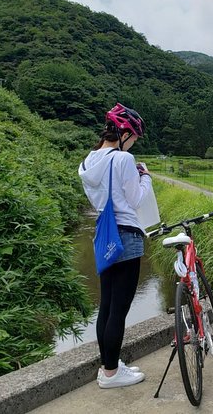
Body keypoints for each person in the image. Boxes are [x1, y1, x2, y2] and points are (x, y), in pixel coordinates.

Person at [79, 103, 151, 388]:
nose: (133, 143)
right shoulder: (122, 160)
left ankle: (107, 365)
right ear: (123, 132)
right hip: (127, 234)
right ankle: (111, 373)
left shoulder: (86, 163)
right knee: (119, 309)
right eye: (133, 137)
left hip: (103, 233)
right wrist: (144, 177)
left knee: (106, 306)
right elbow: (135, 200)